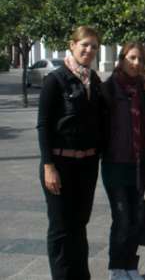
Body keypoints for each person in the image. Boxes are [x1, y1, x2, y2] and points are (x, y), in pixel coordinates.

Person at [37, 26, 103, 280]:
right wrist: (48, 166)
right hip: (60, 164)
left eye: (94, 46)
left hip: (86, 165)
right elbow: (43, 125)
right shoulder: (55, 80)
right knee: (61, 228)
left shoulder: (93, 80)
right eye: (84, 44)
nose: (89, 50)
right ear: (72, 45)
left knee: (79, 225)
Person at [100, 42, 145, 280]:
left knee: (137, 218)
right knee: (121, 218)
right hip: (115, 164)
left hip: (139, 165)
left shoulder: (143, 88)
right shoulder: (109, 88)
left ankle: (131, 264)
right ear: (121, 59)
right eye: (132, 58)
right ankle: (115, 266)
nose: (136, 63)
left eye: (140, 59)